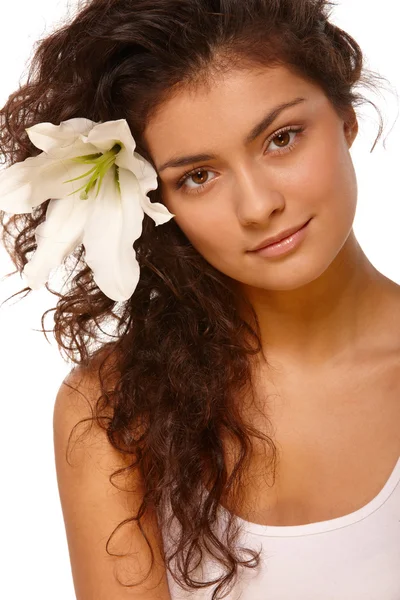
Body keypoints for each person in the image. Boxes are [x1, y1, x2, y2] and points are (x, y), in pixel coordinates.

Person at [0, 0, 399, 598]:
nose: (258, 206)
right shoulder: (115, 412)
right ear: (153, 205)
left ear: (345, 116)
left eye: (281, 138)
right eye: (197, 176)